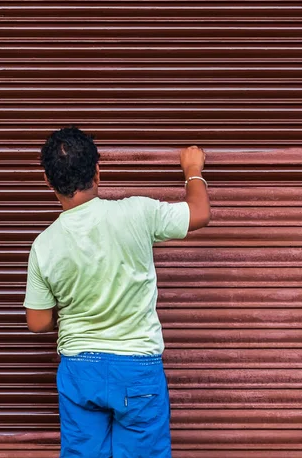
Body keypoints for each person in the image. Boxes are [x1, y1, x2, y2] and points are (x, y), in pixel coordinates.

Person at [23, 126, 211, 458]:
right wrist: (192, 171)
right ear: (98, 170)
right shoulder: (137, 213)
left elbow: (38, 323)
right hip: (137, 369)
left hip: (80, 370)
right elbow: (199, 214)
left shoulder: (44, 245)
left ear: (48, 182)